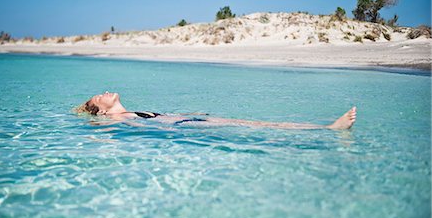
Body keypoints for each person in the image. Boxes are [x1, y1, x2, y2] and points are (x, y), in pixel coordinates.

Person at [76, 91, 357, 130]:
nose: (104, 92)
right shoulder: (113, 119)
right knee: (254, 125)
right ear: (100, 111)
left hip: (188, 119)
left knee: (251, 123)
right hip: (187, 126)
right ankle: (328, 129)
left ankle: (325, 129)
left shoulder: (127, 112)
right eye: (98, 97)